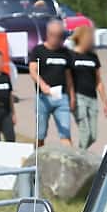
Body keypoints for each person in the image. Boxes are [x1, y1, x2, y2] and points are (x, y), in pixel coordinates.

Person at [29, 19, 75, 148]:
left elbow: (69, 76)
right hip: (43, 99)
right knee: (40, 133)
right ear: (49, 34)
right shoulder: (38, 50)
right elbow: (32, 70)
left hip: (61, 98)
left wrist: (72, 97)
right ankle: (36, 159)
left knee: (65, 133)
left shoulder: (65, 53)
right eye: (56, 36)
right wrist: (42, 85)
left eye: (61, 36)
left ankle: (68, 162)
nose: (58, 39)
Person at [67, 17, 107, 149]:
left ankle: (79, 154)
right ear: (81, 37)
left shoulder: (93, 57)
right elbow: (68, 79)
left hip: (92, 98)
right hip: (79, 98)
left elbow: (98, 81)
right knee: (85, 133)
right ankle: (80, 160)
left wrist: (105, 102)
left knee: (93, 135)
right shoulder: (70, 56)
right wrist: (71, 96)